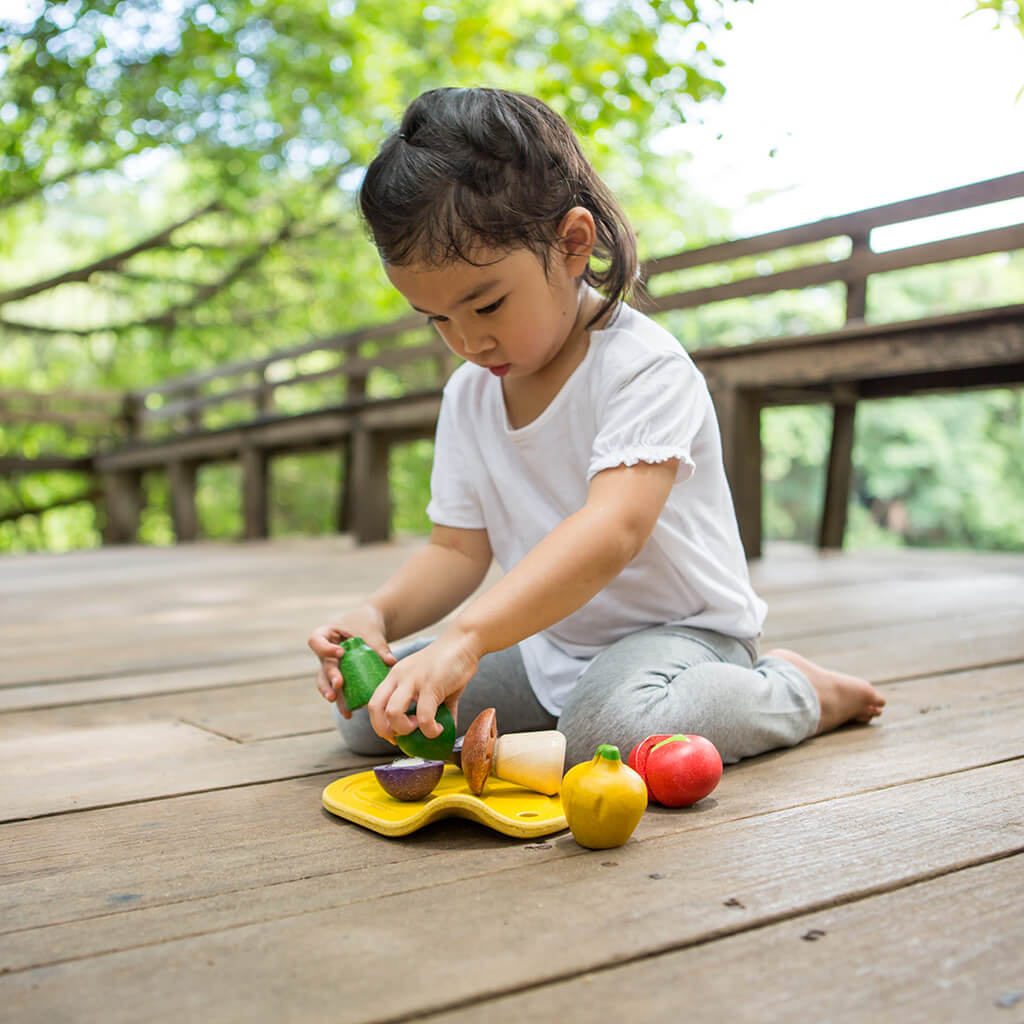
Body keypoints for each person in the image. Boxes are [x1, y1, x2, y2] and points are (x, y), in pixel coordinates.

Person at [308, 87, 884, 770]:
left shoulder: (642, 367)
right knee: (379, 721)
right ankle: (562, 698)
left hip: (681, 638)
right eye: (436, 319)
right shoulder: (469, 393)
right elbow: (457, 551)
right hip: (549, 638)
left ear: (573, 244)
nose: (467, 341)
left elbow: (613, 530)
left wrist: (467, 636)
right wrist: (380, 617)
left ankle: (794, 690)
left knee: (605, 734)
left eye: (486, 304)